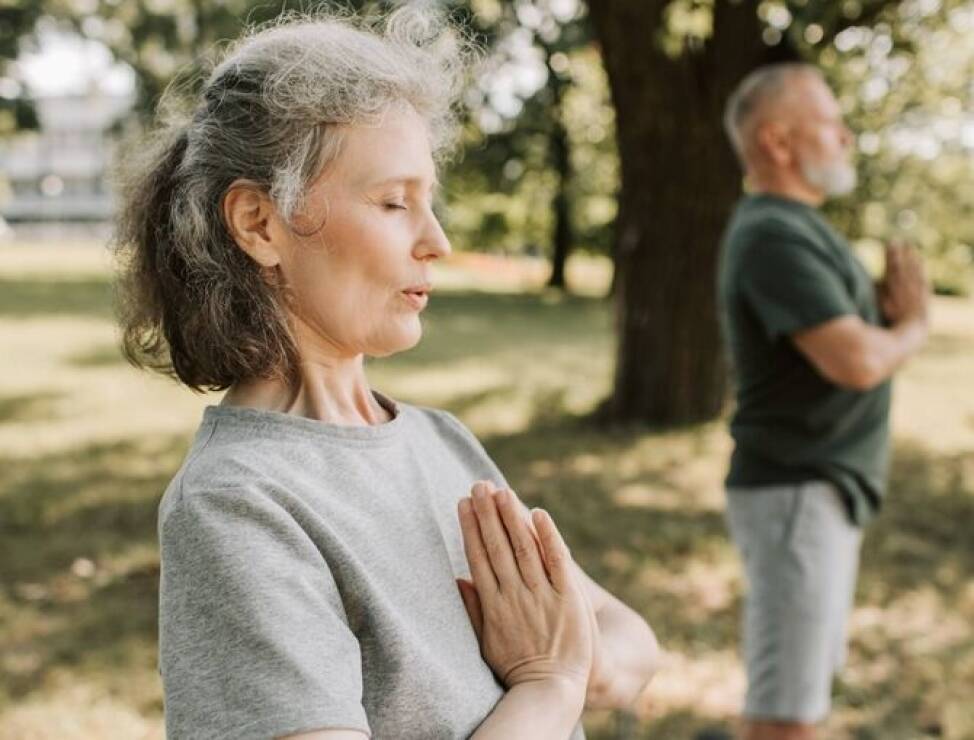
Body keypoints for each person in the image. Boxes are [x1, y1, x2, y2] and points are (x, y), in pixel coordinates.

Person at [112, 8, 659, 739]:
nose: (437, 240)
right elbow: (568, 661)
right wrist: (551, 686)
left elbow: (627, 637)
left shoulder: (440, 442)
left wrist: (575, 661)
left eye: (429, 201)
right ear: (259, 224)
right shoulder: (236, 505)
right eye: (394, 202)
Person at [716, 63, 929, 740]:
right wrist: (912, 327)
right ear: (778, 142)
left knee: (802, 698)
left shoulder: (797, 225)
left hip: (816, 490)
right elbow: (857, 359)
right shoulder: (773, 234)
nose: (846, 137)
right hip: (796, 492)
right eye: (830, 123)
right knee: (786, 718)